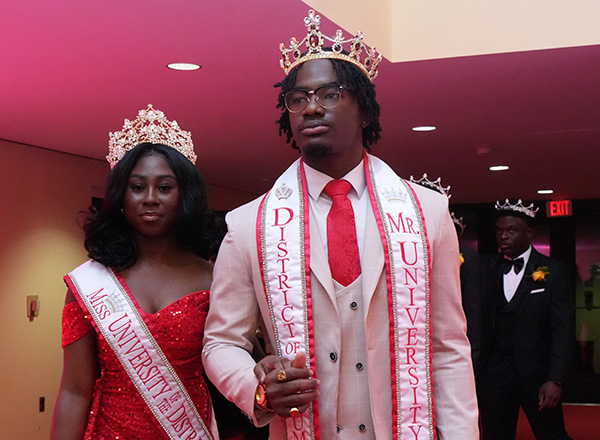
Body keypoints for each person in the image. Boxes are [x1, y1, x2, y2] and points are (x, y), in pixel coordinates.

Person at [202, 10, 479, 440]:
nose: (312, 106)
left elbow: (448, 348)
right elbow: (220, 343)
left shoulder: (428, 212)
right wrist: (259, 390)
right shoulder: (248, 224)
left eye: (331, 93)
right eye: (298, 98)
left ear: (364, 111)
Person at [50, 105, 224, 440]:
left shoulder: (213, 278)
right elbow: (75, 390)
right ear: (121, 196)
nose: (149, 198)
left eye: (164, 187)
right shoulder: (89, 283)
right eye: (137, 186)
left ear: (182, 195)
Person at [478, 199, 574, 439]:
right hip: (495, 376)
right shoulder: (485, 267)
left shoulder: (554, 272)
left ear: (529, 233)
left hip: (538, 376)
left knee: (553, 435)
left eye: (511, 230)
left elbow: (562, 328)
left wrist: (556, 379)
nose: (503, 236)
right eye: (499, 231)